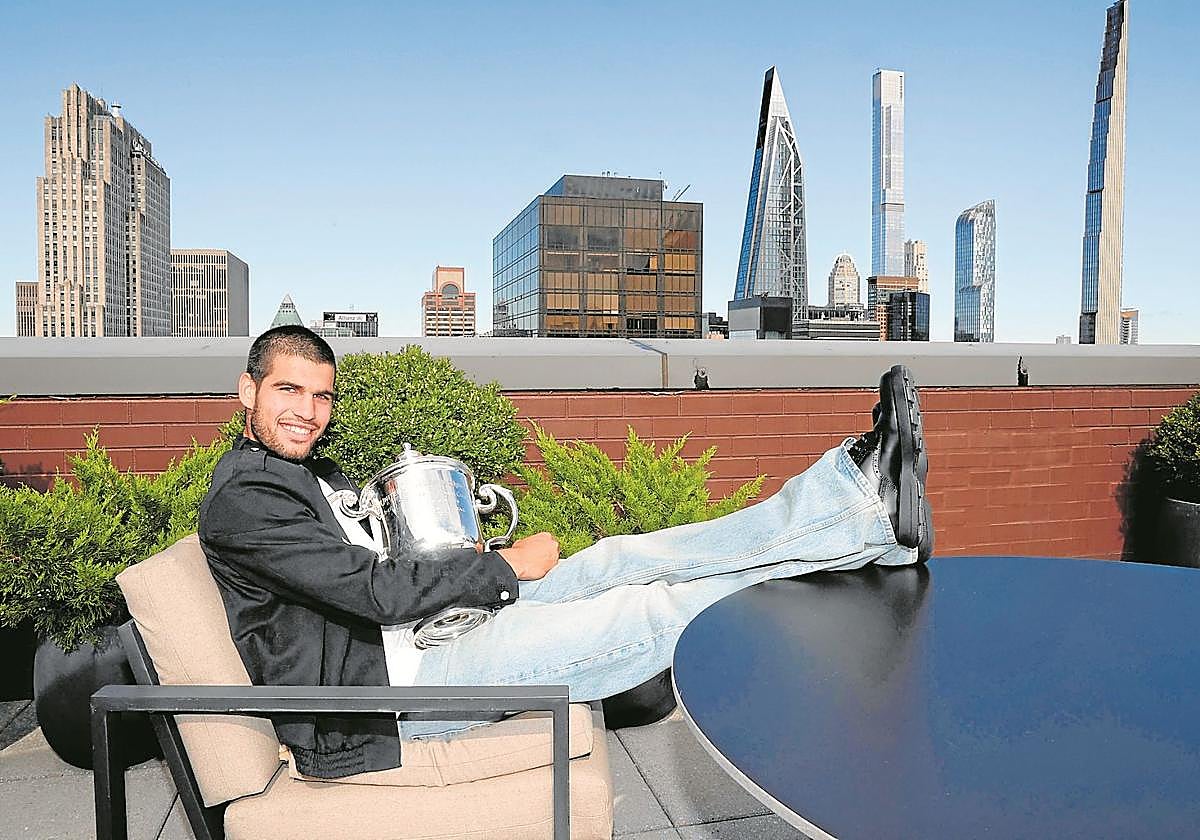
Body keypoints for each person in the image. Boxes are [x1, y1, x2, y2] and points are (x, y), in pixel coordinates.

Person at [199, 325, 932, 779]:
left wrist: (477, 557)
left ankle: (859, 506)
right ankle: (864, 533)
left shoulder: (304, 473)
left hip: (437, 629)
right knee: (652, 610)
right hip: (399, 692)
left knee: (624, 558)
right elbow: (371, 593)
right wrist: (500, 569)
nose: (307, 411)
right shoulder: (246, 497)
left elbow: (386, 567)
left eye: (321, 396)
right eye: (289, 391)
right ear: (247, 391)